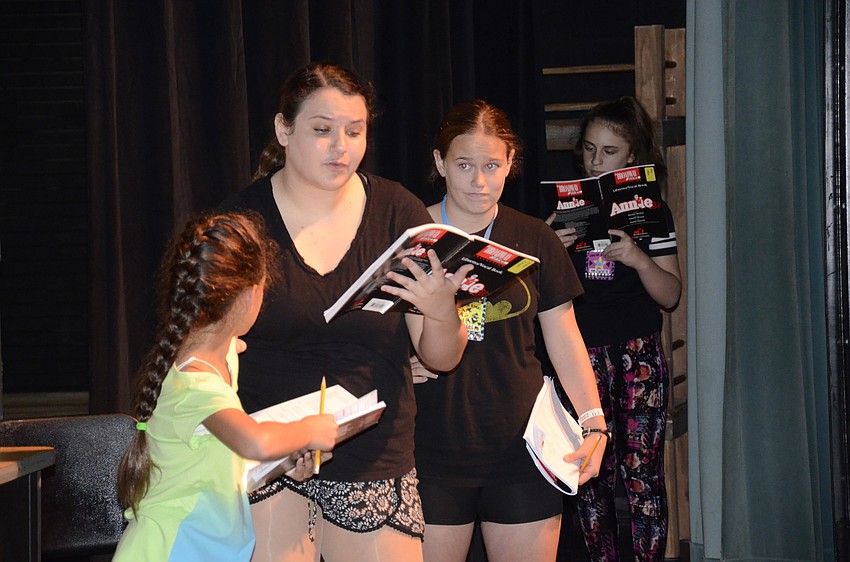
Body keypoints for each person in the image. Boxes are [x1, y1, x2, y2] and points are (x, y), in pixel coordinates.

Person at [217, 62, 473, 562]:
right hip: (271, 453)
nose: (341, 147)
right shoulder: (241, 221)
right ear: (283, 130)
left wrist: (441, 310)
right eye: (322, 130)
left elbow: (442, 359)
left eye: (355, 131)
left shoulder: (397, 211)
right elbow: (206, 353)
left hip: (374, 455)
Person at [411, 99, 609, 562]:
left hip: (522, 444)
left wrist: (595, 423)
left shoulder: (534, 237)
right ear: (440, 162)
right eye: (464, 165)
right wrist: (399, 365)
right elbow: (367, 329)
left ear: (510, 163)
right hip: (430, 446)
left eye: (491, 166)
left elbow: (565, 337)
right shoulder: (411, 234)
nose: (479, 181)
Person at [114, 211, 339, 562]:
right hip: (169, 551)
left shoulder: (218, 357)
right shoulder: (196, 385)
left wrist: (287, 460)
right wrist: (310, 430)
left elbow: (222, 461)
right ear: (248, 295)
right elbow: (255, 441)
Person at [546, 96, 682, 561]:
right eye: (589, 149)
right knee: (589, 476)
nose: (595, 161)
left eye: (609, 152)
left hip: (637, 351)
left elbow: (671, 294)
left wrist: (640, 260)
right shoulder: (561, 213)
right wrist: (548, 247)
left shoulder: (652, 211)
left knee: (643, 476)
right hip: (580, 355)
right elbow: (534, 298)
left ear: (632, 156)